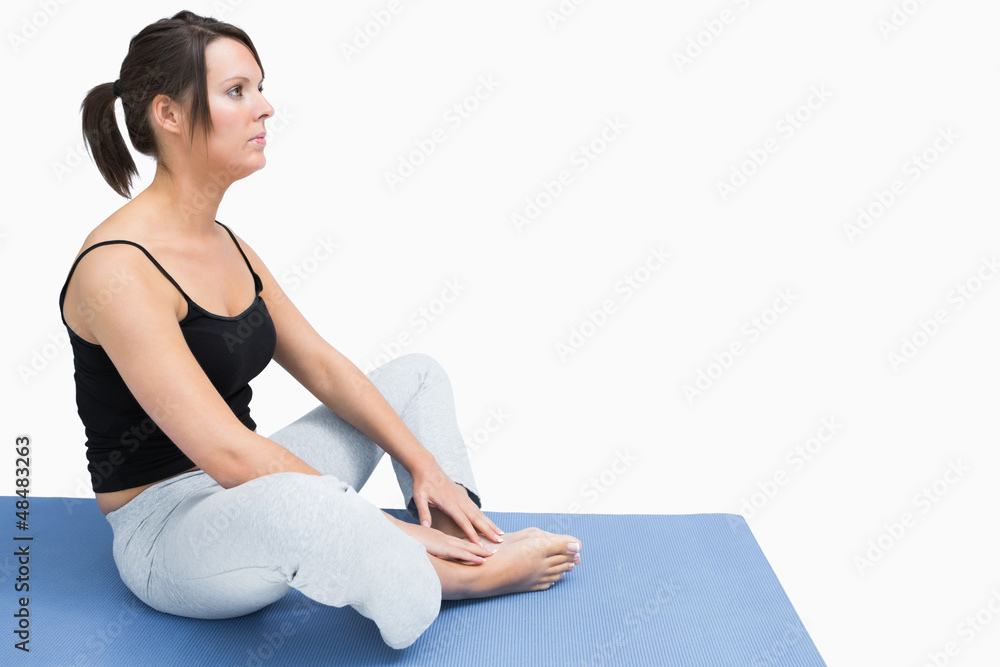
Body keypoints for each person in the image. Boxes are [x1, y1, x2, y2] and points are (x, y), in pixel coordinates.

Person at [60, 10, 582, 650]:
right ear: (168, 114)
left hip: (252, 490)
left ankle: (464, 537)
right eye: (237, 92)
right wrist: (385, 529)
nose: (265, 107)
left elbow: (326, 368)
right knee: (310, 507)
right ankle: (457, 575)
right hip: (168, 531)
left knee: (415, 379)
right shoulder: (120, 269)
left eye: (259, 87)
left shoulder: (229, 246)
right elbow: (226, 454)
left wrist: (424, 466)